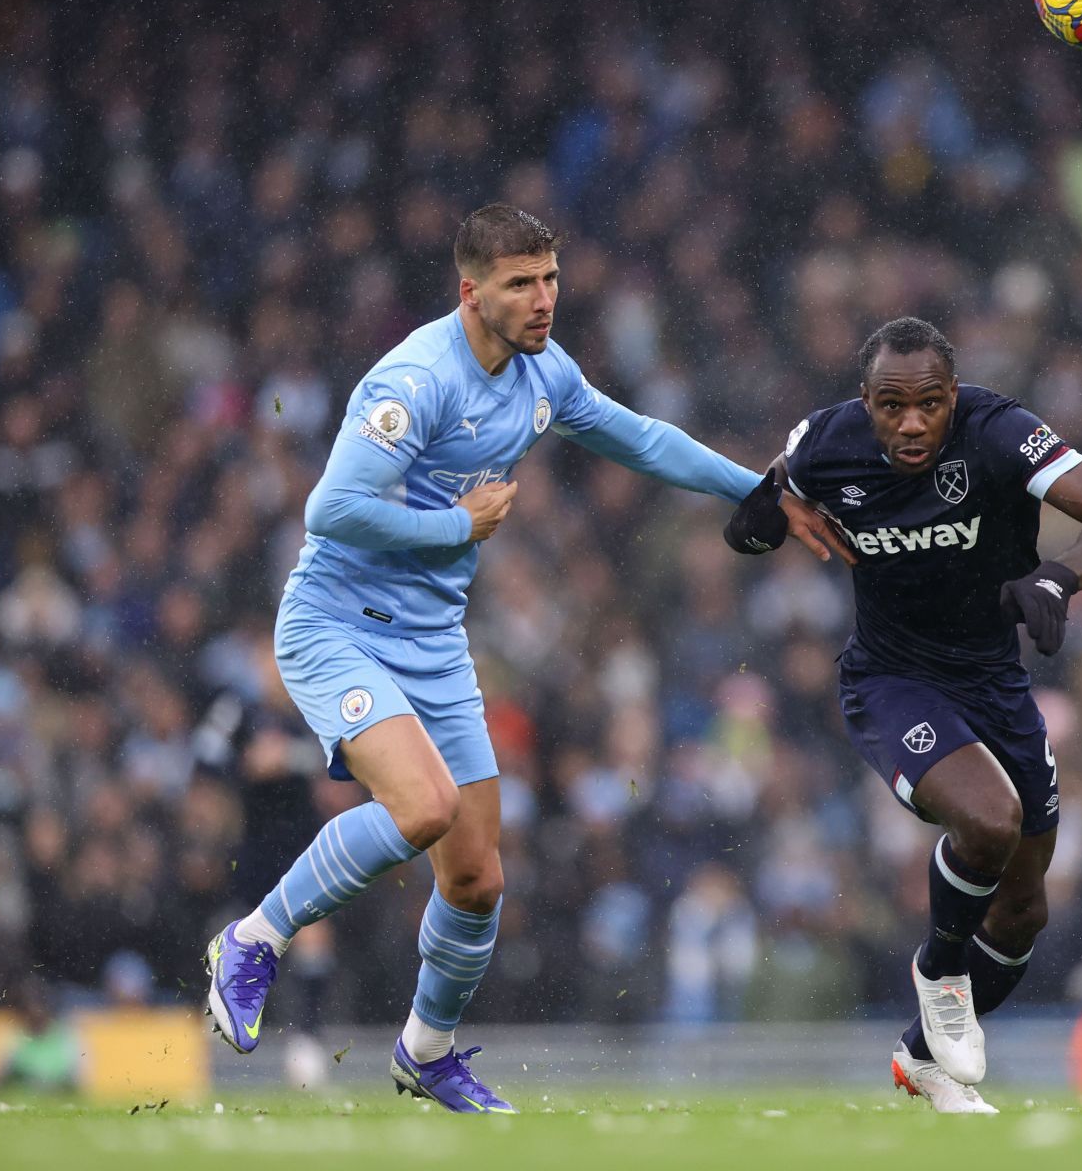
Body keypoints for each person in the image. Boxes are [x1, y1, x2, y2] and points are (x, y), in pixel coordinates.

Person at [204, 203, 846, 1114]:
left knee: (477, 878)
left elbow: (641, 437)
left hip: (431, 640)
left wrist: (761, 492)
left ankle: (425, 1053)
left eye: (549, 277)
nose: (544, 298)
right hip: (336, 626)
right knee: (422, 809)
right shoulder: (415, 379)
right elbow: (331, 511)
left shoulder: (545, 372)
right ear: (471, 293)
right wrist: (453, 526)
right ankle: (255, 940)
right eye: (520, 283)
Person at [723, 316, 1082, 1113]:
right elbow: (759, 506)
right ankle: (940, 970)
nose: (911, 423)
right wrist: (768, 508)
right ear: (866, 402)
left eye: (929, 404)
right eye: (891, 406)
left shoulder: (999, 432)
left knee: (1024, 909)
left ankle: (921, 1058)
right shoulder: (826, 441)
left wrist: (1059, 578)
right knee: (990, 821)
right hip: (891, 681)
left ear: (953, 396)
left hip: (995, 683)